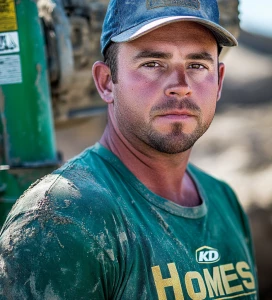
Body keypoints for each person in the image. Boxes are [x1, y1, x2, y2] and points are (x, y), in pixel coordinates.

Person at [0, 0, 258, 299]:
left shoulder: (222, 199)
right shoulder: (64, 218)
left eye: (197, 65)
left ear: (219, 82)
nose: (180, 85)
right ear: (107, 82)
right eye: (153, 64)